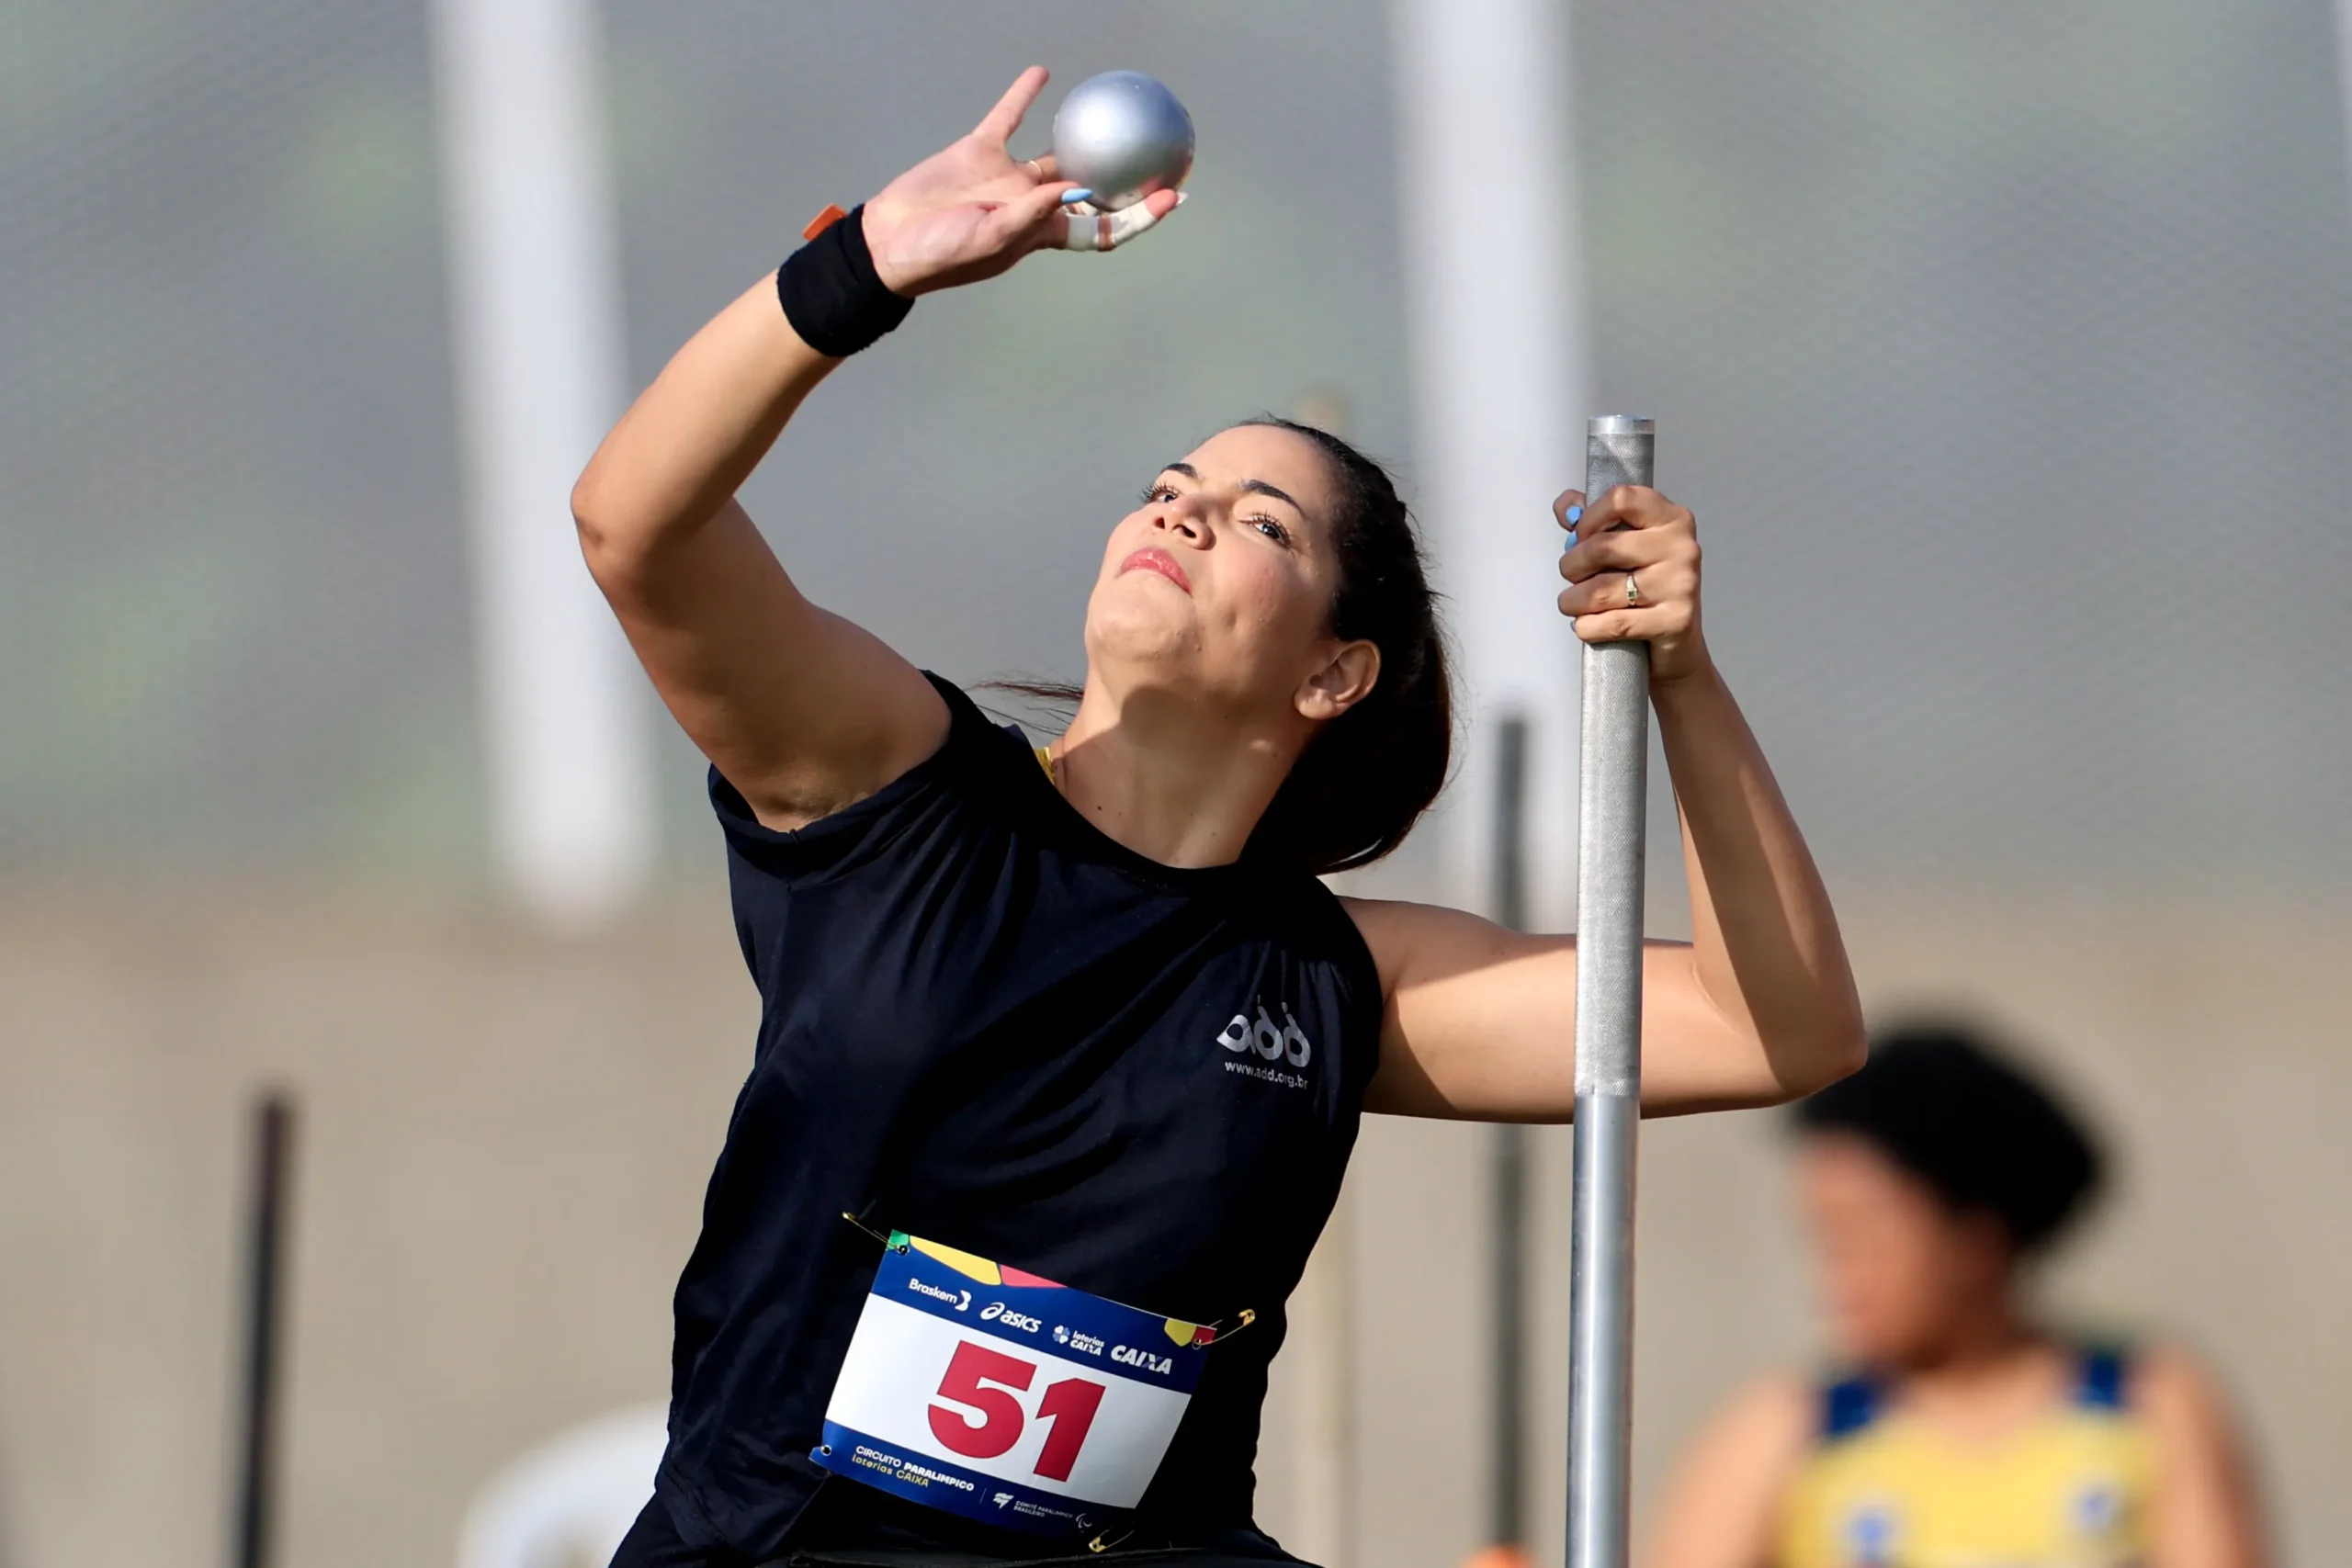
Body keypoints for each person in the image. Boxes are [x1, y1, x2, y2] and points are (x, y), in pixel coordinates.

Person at [571, 65, 1864, 1568]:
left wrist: (1681, 677)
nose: (1182, 513)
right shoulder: (899, 795)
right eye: (1171, 487)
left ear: (1334, 671)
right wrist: (864, 264)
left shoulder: (1332, 982)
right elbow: (634, 524)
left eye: (1259, 522)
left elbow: (1780, 1030)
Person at [1644, 1025, 2267, 1568]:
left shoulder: (2147, 1406)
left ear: (1977, 1236)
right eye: (1825, 1241)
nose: (1836, 1279)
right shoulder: (1787, 1434)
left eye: (1862, 1238)